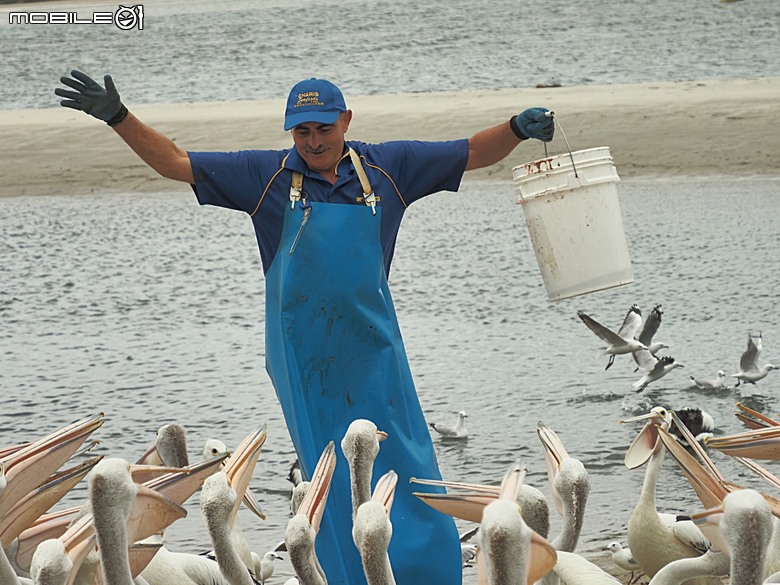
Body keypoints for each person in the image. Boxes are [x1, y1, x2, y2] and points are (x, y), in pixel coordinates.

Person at [55, 70, 554, 585]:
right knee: (330, 472)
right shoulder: (265, 176)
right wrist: (119, 118)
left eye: (323, 129)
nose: (313, 142)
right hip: (305, 358)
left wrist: (516, 129)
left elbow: (471, 152)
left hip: (375, 350)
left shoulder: (389, 168)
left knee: (409, 460)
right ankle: (350, 577)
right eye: (302, 131)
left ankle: (432, 575)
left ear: (345, 121)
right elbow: (176, 163)